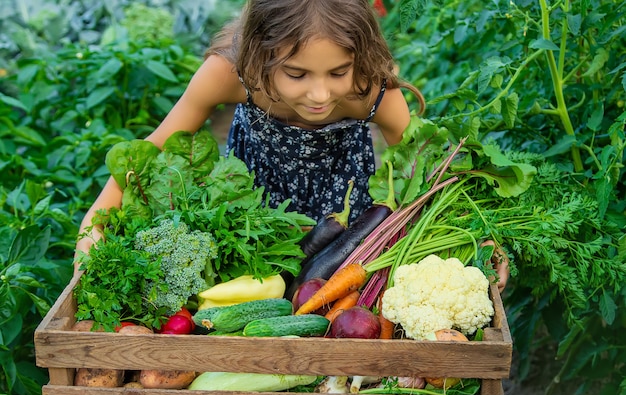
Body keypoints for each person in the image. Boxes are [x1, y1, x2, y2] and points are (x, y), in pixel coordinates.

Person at [75, 0, 425, 261]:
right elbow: (151, 150)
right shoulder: (229, 74)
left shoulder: (370, 90)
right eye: (297, 74)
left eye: (337, 73)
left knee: (331, 276)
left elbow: (421, 170)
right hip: (252, 209)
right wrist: (93, 227)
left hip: (344, 209)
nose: (320, 95)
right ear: (260, 56)